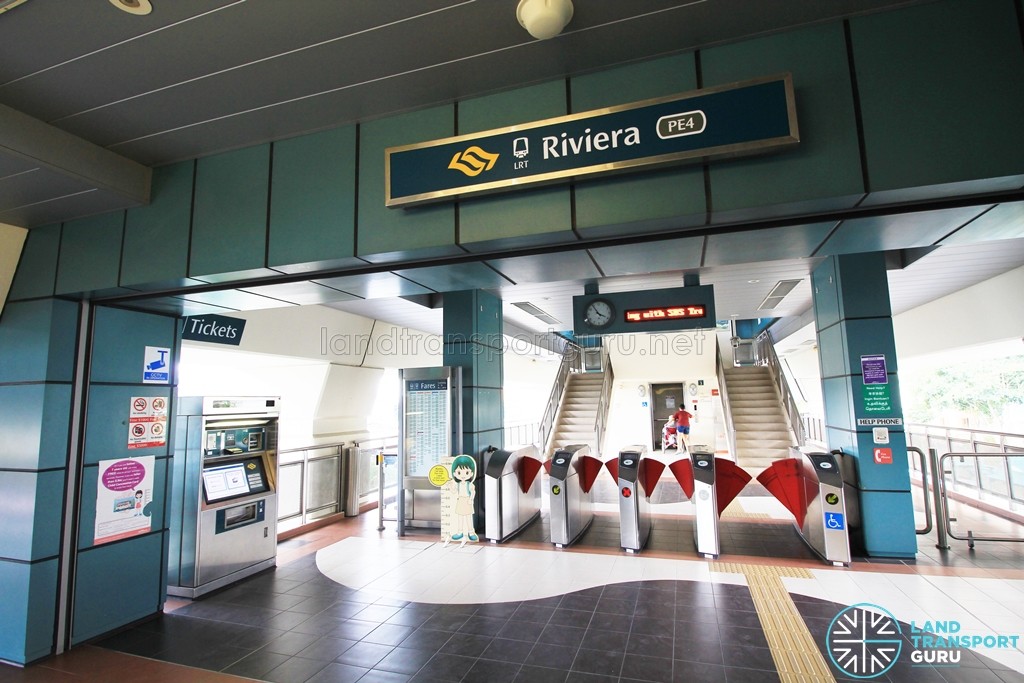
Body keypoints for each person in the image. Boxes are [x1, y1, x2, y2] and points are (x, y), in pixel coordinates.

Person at [447, 455, 478, 545]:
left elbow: (473, 492)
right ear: (454, 473)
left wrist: (471, 499)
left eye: (467, 472)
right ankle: (459, 532)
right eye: (459, 472)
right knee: (460, 517)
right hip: (460, 501)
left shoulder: (470, 484)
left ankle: (471, 532)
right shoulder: (458, 484)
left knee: (468, 517)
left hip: (467, 501)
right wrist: (449, 486)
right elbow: (453, 491)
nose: (463, 475)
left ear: (471, 473)